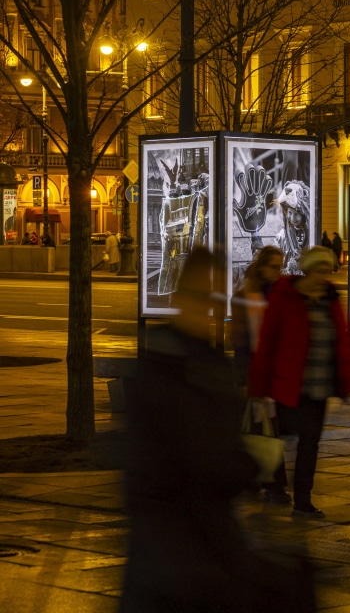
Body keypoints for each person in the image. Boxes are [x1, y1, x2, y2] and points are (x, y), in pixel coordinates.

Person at [120, 247, 316, 613]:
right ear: (182, 297)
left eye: (215, 299)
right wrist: (248, 462)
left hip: (196, 549)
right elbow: (201, 461)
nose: (210, 309)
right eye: (204, 297)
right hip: (179, 559)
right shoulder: (172, 370)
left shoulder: (192, 361)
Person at [249, 246, 350, 519]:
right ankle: (274, 485)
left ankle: (303, 501)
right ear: (308, 270)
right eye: (319, 271)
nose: (324, 277)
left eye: (328, 271)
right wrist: (257, 385)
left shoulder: (330, 298)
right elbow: (267, 342)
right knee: (281, 436)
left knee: (310, 444)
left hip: (319, 387)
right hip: (288, 384)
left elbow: (343, 345)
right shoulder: (285, 295)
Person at [231, 245, 284, 393]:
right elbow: (240, 341)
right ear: (262, 267)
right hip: (255, 366)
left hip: (278, 368)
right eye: (274, 267)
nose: (278, 273)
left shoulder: (281, 295)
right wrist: (242, 378)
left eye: (280, 268)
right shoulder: (244, 297)